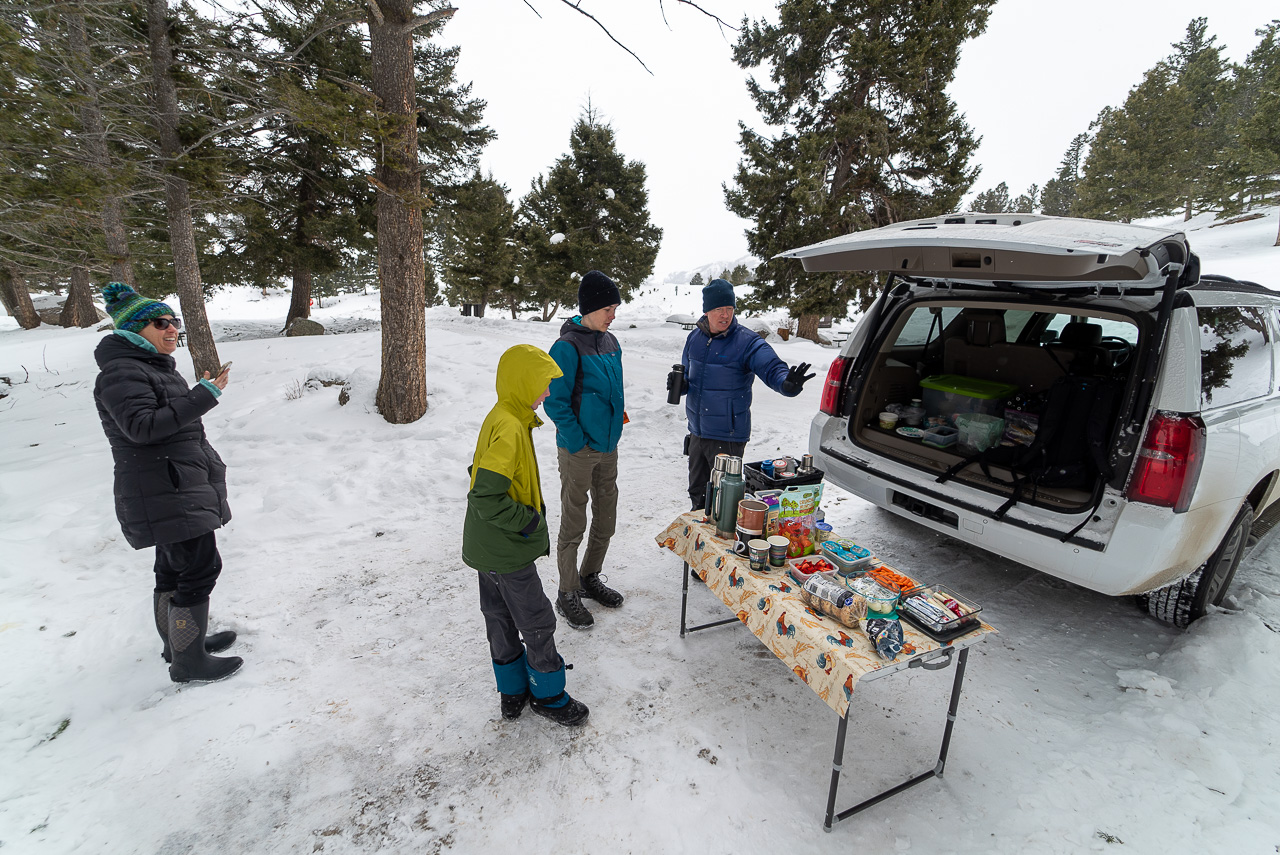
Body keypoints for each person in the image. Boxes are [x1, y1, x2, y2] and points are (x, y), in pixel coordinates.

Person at [93, 282, 241, 684]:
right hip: (166, 490)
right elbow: (142, 428)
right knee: (198, 570)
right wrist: (203, 396)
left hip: (169, 486)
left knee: (172, 571)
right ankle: (189, 662)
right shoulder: (123, 372)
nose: (172, 329)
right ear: (133, 330)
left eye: (174, 322)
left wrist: (198, 395)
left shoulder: (150, 367)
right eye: (161, 323)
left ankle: (179, 645)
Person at [462, 344, 590, 727]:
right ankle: (549, 696)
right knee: (537, 622)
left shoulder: (502, 415)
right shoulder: (511, 428)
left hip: (487, 548)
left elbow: (477, 469)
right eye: (543, 384)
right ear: (522, 382)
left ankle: (513, 690)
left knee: (498, 620)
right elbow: (485, 493)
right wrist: (528, 522)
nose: (548, 393)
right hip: (507, 550)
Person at [675, 278, 816, 511]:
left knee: (724, 500)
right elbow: (688, 376)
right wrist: (680, 386)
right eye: (719, 309)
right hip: (698, 433)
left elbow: (771, 366)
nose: (725, 315)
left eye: (729, 309)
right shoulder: (694, 339)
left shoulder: (747, 342)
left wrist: (785, 383)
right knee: (697, 493)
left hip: (727, 436)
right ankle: (700, 542)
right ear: (707, 311)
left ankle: (725, 542)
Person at [543, 271, 625, 631]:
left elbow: (611, 390)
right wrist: (578, 440)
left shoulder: (611, 342)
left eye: (615, 308)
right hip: (579, 450)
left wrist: (615, 420)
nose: (613, 315)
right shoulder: (567, 346)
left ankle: (589, 577)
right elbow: (555, 402)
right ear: (590, 308)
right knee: (574, 522)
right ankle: (567, 592)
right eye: (608, 308)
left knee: (606, 518)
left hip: (608, 447)